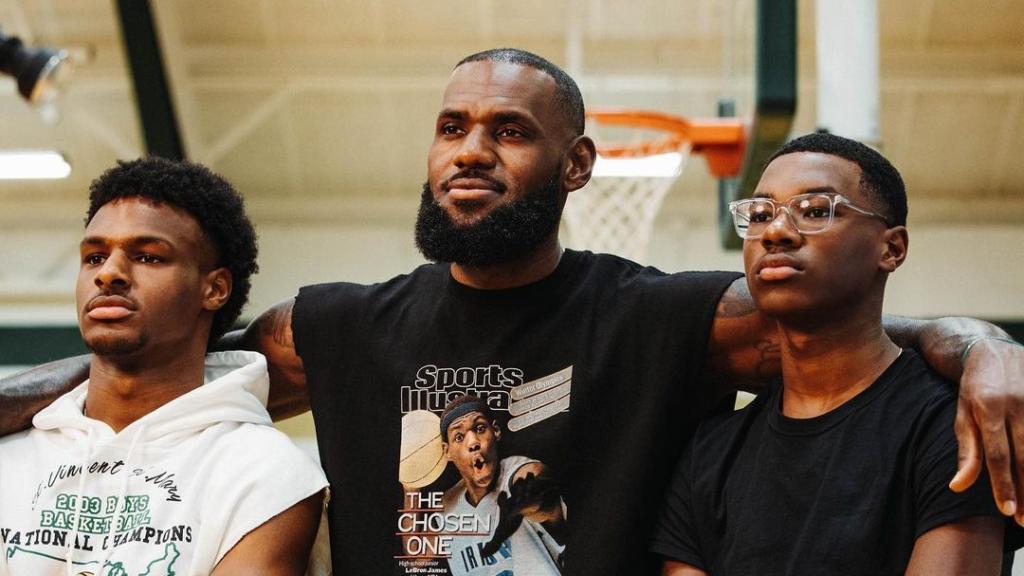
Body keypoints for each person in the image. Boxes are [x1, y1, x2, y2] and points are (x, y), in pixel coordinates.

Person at [0, 49, 1021, 575]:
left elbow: (846, 333)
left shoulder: (660, 317)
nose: (471, 151)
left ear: (577, 166)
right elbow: (171, 373)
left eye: (509, 131)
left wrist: (983, 345)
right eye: (451, 127)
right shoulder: (335, 326)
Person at [652, 133, 1018, 575]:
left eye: (814, 211)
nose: (776, 232)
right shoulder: (709, 453)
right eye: (761, 214)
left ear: (891, 248)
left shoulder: (951, 424)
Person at [0, 158, 328, 575]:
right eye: (95, 257)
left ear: (215, 288)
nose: (109, 273)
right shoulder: (9, 460)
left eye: (148, 257)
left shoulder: (263, 470)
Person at [433, 394, 565, 575]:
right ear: (447, 451)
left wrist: (522, 504)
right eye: (459, 437)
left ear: (495, 431)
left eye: (480, 428)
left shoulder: (517, 471)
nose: (473, 442)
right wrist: (410, 484)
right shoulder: (447, 504)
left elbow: (539, 483)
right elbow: (417, 557)